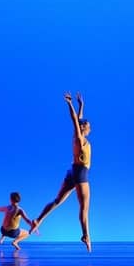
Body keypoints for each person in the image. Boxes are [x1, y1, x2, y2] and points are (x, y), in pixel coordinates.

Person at [29, 92, 93, 252]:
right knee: (84, 207)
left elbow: (77, 119)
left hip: (72, 171)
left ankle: (38, 219)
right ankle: (86, 235)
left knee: (57, 201)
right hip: (80, 173)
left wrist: (81, 106)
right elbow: (74, 120)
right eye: (88, 125)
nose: (90, 127)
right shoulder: (79, 138)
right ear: (83, 127)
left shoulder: (77, 136)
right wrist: (70, 104)